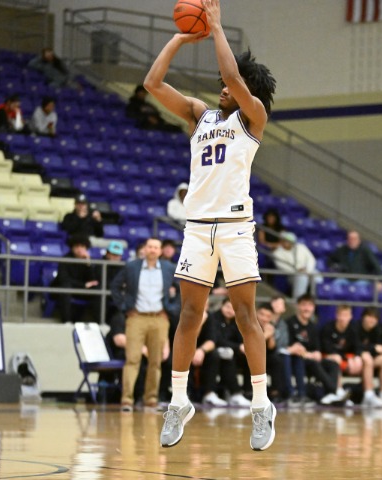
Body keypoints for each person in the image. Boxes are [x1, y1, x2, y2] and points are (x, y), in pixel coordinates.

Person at [144, 0, 277, 450]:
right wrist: (179, 38)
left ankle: (261, 406)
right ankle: (178, 402)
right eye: (221, 84)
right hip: (198, 227)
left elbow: (235, 78)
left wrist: (217, 26)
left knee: (245, 317)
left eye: (230, 85)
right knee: (189, 316)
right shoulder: (199, 115)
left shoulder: (253, 117)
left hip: (236, 227)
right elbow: (152, 83)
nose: (223, 87)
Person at [110, 238, 180, 412]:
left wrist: (171, 308)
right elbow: (115, 286)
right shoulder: (131, 267)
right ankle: (127, 400)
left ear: (160, 251)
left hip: (159, 318)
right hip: (136, 318)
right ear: (145, 249)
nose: (153, 250)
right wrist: (125, 307)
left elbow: (182, 289)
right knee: (132, 359)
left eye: (156, 247)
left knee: (155, 361)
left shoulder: (169, 268)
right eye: (150, 247)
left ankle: (151, 399)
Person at [285, 294, 340, 405]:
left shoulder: (313, 326)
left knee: (333, 364)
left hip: (310, 360)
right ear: (298, 306)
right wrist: (305, 354)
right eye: (304, 305)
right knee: (311, 362)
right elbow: (289, 347)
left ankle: (330, 393)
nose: (307, 308)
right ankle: (334, 391)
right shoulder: (289, 323)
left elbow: (317, 350)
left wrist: (315, 354)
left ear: (314, 308)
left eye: (310, 305)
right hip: (295, 361)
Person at [209, 297, 252, 407]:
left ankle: (248, 392)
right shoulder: (213, 318)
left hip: (232, 351)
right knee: (227, 356)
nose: (230, 310)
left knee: (250, 357)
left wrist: (243, 346)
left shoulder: (237, 321)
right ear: (222, 305)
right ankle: (234, 393)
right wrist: (238, 347)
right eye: (227, 307)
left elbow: (241, 339)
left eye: (233, 309)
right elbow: (217, 339)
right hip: (214, 349)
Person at [51, 235, 100, 323]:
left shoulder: (89, 261)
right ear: (72, 248)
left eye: (82, 246)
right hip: (65, 288)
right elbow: (64, 279)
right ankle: (66, 321)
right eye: (77, 246)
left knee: (99, 290)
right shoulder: (65, 260)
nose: (79, 249)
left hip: (82, 290)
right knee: (66, 287)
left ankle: (98, 321)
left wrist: (88, 264)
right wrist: (83, 285)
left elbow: (93, 280)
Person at [319, 305, 361, 406]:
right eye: (341, 315)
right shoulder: (328, 328)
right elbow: (327, 349)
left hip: (344, 359)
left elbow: (358, 347)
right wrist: (346, 358)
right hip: (326, 357)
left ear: (350, 317)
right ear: (336, 315)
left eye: (346, 315)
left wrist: (356, 357)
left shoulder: (353, 329)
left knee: (362, 359)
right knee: (336, 358)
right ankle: (338, 391)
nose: (343, 318)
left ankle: (366, 393)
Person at [356, 307, 382, 407]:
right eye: (369, 316)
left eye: (375, 318)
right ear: (363, 317)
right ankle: (368, 395)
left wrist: (372, 349)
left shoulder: (378, 330)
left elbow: (381, 349)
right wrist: (372, 348)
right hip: (355, 358)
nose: (371, 320)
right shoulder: (355, 327)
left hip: (371, 358)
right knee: (367, 358)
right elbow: (356, 346)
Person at [272, 231, 318, 299]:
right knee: (302, 278)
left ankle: (315, 299)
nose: (287, 243)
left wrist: (307, 270)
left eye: (289, 241)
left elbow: (311, 259)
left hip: (307, 270)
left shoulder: (301, 247)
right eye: (285, 241)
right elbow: (283, 267)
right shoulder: (277, 253)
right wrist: (298, 271)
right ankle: (298, 300)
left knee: (317, 277)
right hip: (292, 275)